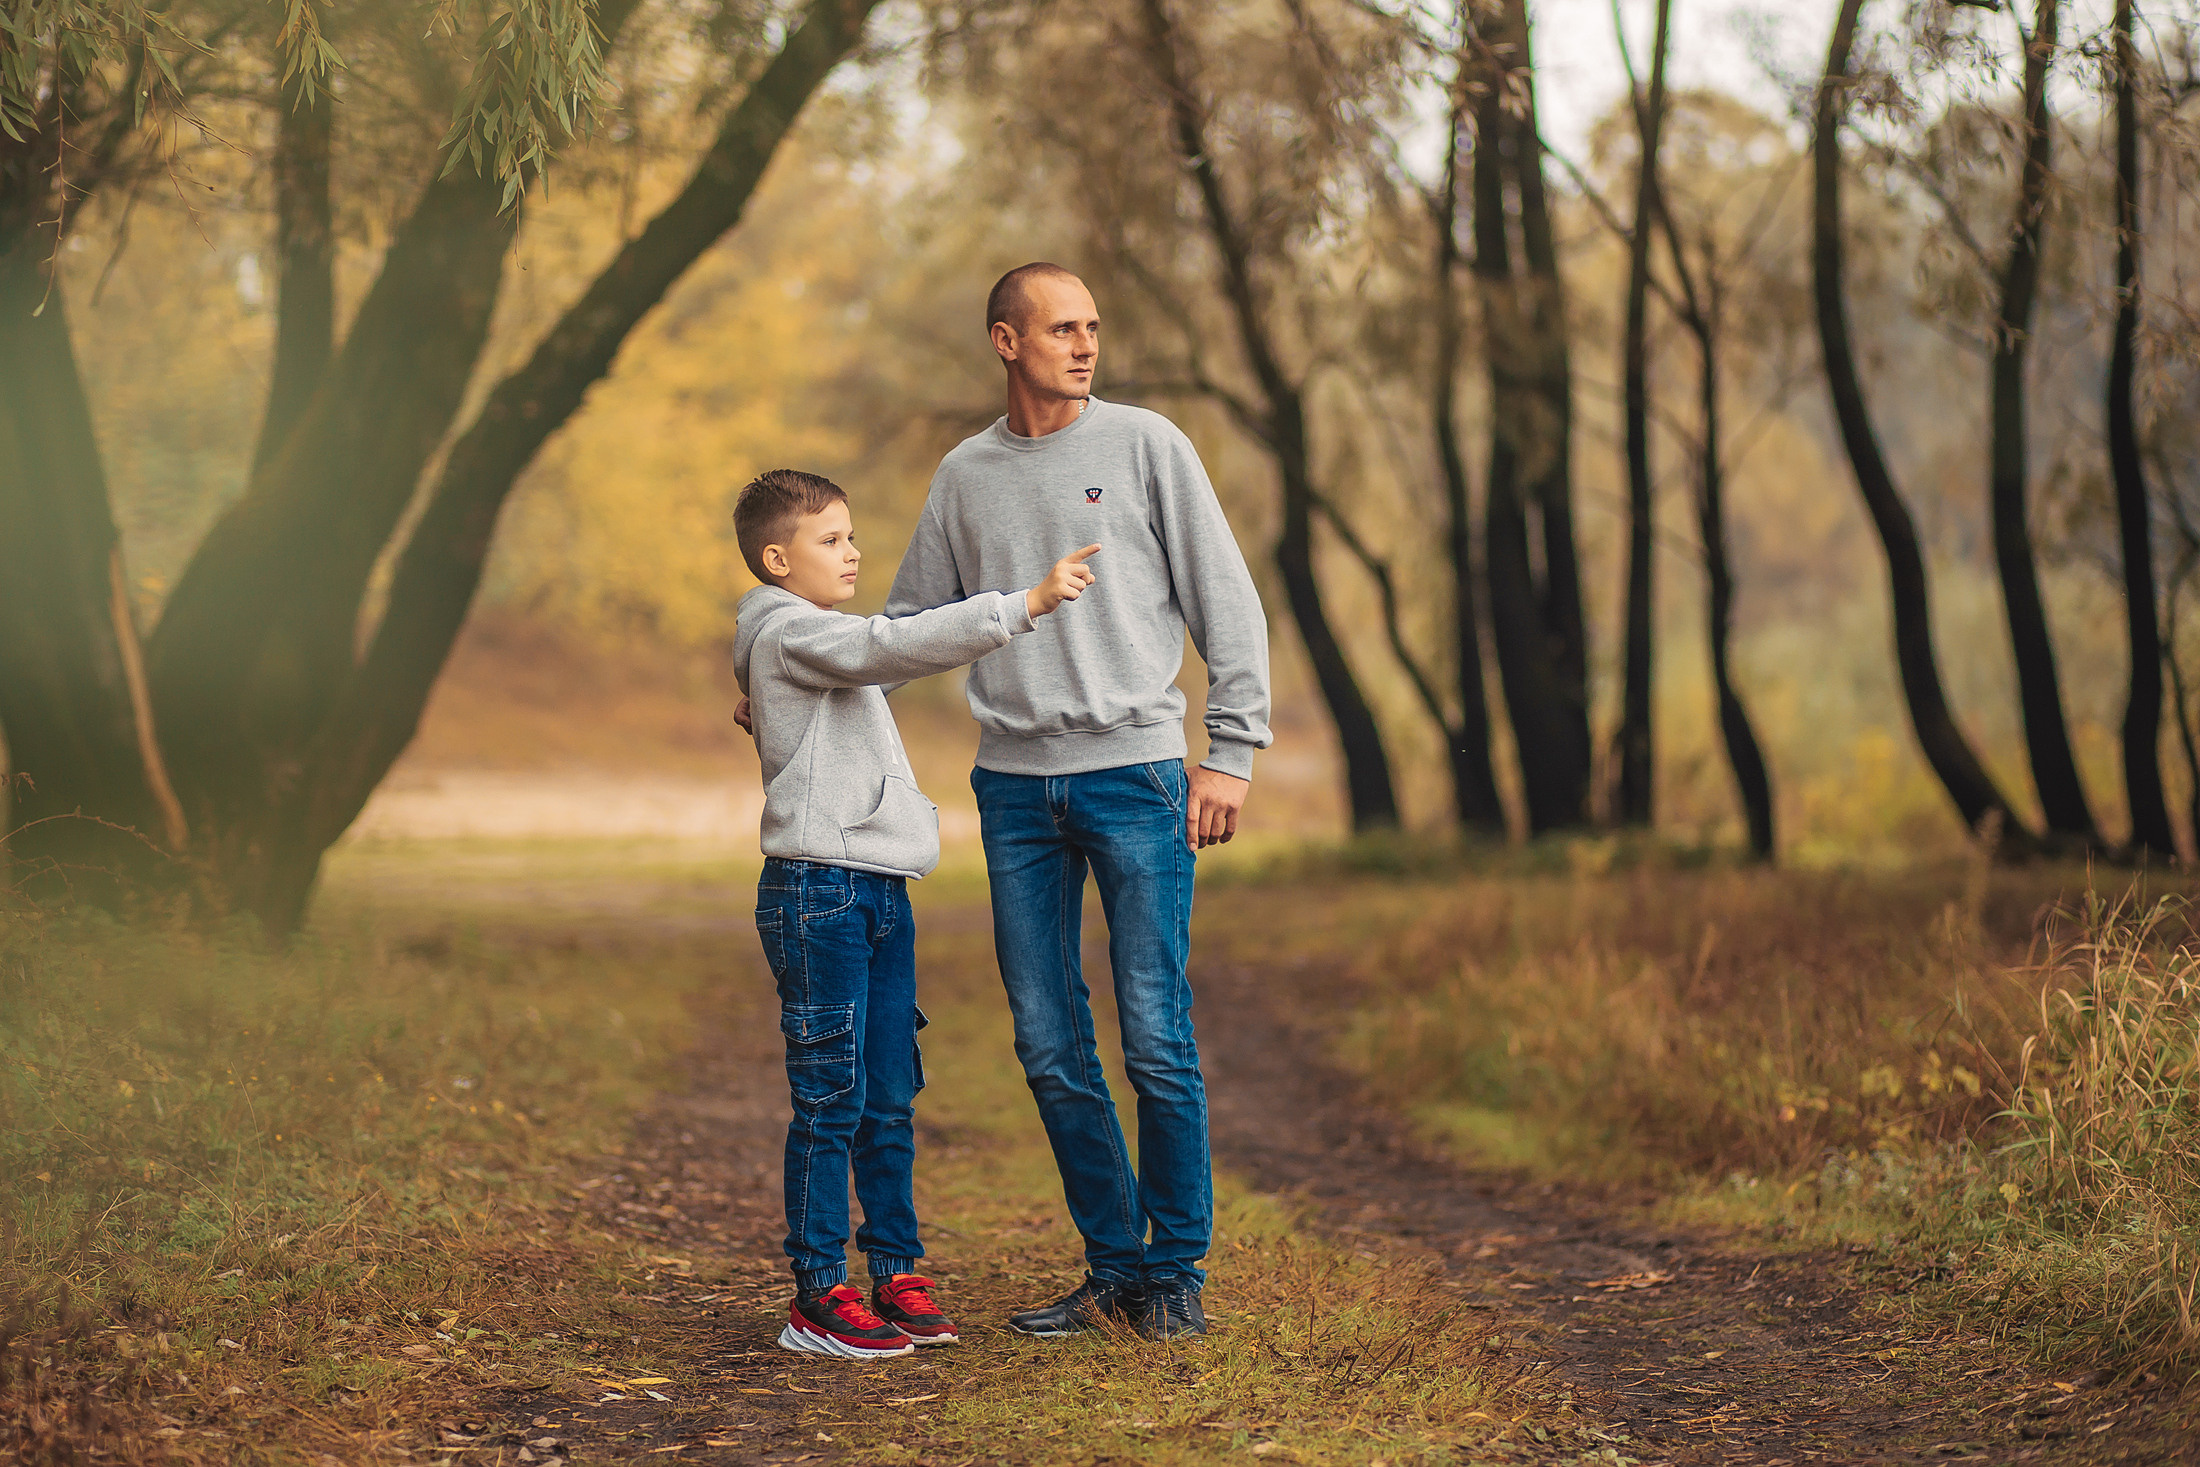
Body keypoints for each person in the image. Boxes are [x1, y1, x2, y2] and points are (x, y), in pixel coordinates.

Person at [884, 263, 1273, 1341]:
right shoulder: (965, 474)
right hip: (1012, 790)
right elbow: (908, 626)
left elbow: (1227, 601)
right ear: (1006, 341)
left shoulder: (1148, 444)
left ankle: (1175, 1274)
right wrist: (795, 673)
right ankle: (1114, 1269)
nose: (1086, 344)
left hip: (1138, 776)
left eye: (1093, 327)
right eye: (1062, 328)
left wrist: (1231, 750)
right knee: (1050, 1047)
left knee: (1154, 1035)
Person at [730, 467, 1099, 1360]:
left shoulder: (804, 642)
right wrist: (1022, 604)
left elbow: (845, 675)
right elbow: (888, 646)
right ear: (777, 559)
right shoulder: (790, 629)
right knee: (832, 1098)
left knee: (888, 1097)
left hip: (879, 887)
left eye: (853, 535)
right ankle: (818, 1292)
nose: (852, 552)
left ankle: (895, 1268)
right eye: (830, 539)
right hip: (820, 889)